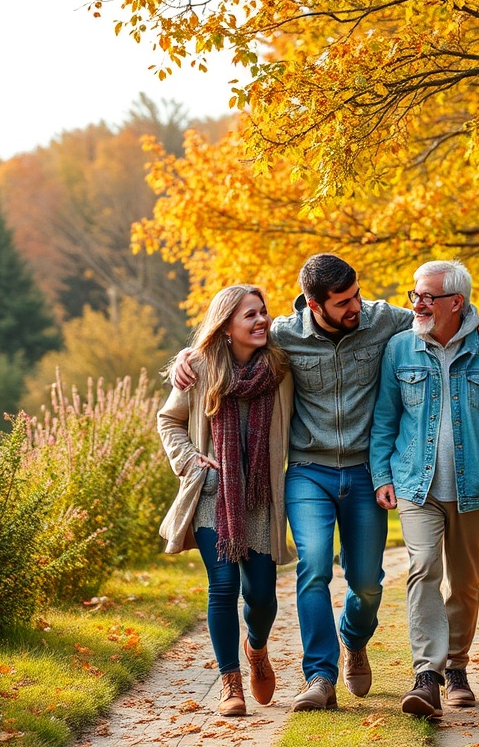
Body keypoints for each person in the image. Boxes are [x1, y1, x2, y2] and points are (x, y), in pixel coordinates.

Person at [172, 254, 479, 712]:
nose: (355, 307)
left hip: (365, 472)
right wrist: (188, 356)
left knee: (367, 584)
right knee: (315, 568)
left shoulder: (383, 319)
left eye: (357, 295)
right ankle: (320, 677)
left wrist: (478, 319)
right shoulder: (284, 334)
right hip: (309, 471)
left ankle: (353, 639)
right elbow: (229, 343)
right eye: (343, 302)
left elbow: (441, 315)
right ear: (313, 304)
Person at [370, 260, 479, 718]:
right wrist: (382, 476)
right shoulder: (400, 348)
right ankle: (427, 676)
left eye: (427, 297)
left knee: (466, 582)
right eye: (414, 294)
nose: (417, 303)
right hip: (416, 485)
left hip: (473, 486)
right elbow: (385, 418)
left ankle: (457, 667)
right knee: (423, 569)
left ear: (457, 302)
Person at [157, 284, 294, 717]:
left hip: (261, 498)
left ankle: (257, 648)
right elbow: (169, 420)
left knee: (262, 595)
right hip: (213, 496)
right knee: (222, 587)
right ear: (226, 325)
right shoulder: (199, 368)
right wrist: (189, 459)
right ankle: (230, 682)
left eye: (263, 312)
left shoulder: (280, 366)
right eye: (249, 315)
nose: (261, 320)